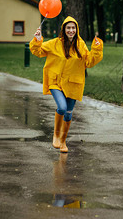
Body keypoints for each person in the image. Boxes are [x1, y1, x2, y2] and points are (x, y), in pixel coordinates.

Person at [29, 16, 103, 153]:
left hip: (73, 84)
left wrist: (97, 50)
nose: (71, 30)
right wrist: (37, 40)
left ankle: (63, 141)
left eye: (73, 28)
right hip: (56, 82)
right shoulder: (55, 43)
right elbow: (37, 51)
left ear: (77, 29)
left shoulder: (80, 45)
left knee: (68, 114)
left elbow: (89, 62)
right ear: (64, 29)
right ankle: (56, 135)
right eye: (68, 28)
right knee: (62, 108)